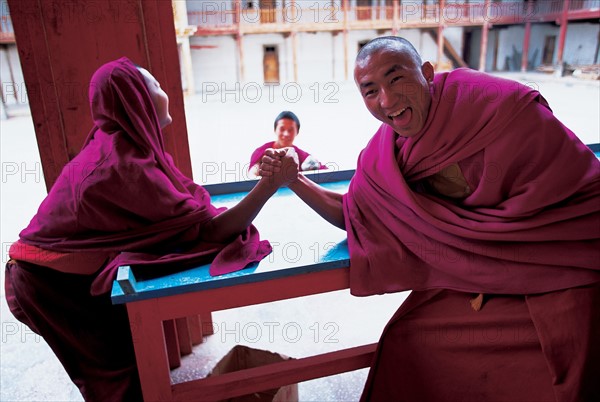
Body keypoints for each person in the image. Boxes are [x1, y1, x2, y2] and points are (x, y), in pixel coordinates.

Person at [259, 36, 600, 401]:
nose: (387, 101)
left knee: (572, 351)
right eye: (371, 91)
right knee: (408, 339)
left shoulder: (497, 108)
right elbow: (354, 214)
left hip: (562, 257)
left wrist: (494, 245)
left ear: (426, 74)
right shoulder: (389, 151)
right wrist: (295, 179)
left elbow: (576, 189)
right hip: (480, 271)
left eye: (396, 79)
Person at [4, 57, 298, 402]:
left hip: (69, 272)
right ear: (135, 100)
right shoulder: (121, 166)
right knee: (117, 378)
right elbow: (210, 232)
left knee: (127, 368)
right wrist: (268, 186)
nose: (165, 91)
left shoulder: (128, 144)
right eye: (155, 85)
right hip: (48, 285)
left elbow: (183, 211)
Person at [248, 110, 324, 176]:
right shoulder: (262, 152)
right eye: (282, 129)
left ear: (297, 132)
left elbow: (325, 172)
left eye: (290, 130)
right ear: (275, 130)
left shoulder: (304, 157)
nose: (286, 134)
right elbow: (252, 175)